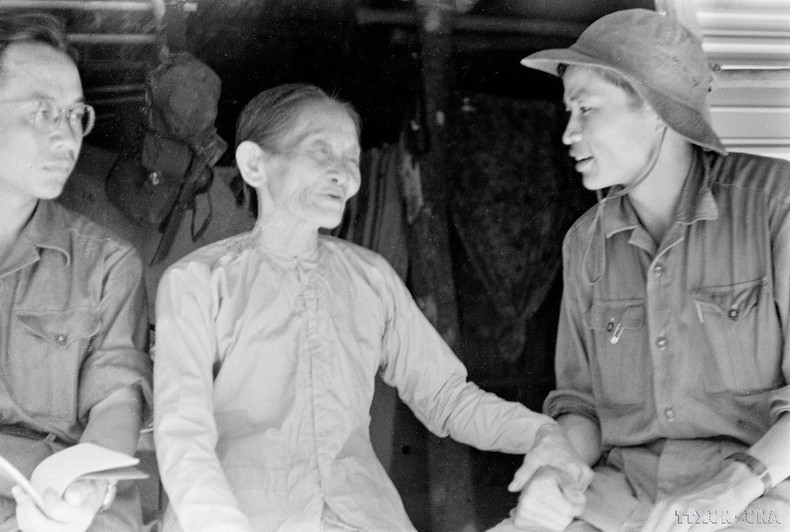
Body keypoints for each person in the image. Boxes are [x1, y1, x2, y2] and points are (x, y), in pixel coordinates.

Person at [153, 83, 593, 531]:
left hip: (362, 515)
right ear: (254, 164)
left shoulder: (370, 277)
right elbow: (183, 432)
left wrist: (540, 432)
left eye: (351, 160)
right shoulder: (199, 282)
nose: (343, 175)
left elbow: (446, 398)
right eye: (321, 153)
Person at [509, 8, 790, 531]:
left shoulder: (777, 207)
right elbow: (581, 406)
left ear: (658, 110)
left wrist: (736, 486)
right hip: (622, 497)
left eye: (586, 109)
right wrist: (555, 467)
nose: (568, 133)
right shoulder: (585, 243)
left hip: (758, 495)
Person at [0, 13, 152, 532]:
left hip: (61, 506)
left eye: (75, 115)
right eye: (44, 111)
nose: (67, 135)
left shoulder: (108, 262)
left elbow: (116, 400)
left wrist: (88, 485)